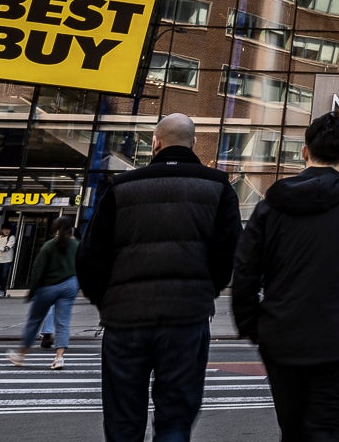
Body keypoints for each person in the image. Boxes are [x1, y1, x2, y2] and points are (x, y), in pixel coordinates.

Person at [233, 112, 339, 441]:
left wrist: (255, 327)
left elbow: (245, 272)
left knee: (292, 428)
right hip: (333, 337)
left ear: (305, 152)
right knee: (329, 429)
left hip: (280, 335)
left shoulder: (271, 207)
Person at [77, 112, 240, 442]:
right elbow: (229, 254)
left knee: (123, 422)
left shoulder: (121, 187)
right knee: (175, 421)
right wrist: (205, 290)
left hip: (125, 320)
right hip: (186, 318)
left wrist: (106, 300)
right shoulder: (218, 188)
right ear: (193, 143)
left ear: (155, 143)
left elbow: (90, 256)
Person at [7, 216, 79, 370]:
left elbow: (37, 271)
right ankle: (59, 358)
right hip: (70, 286)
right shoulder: (75, 245)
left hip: (49, 287)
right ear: (70, 229)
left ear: (54, 229)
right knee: (63, 323)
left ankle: (21, 354)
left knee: (35, 320)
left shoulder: (48, 246)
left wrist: (32, 292)